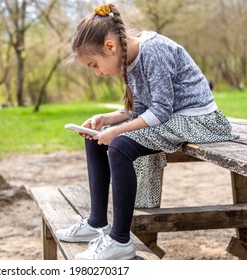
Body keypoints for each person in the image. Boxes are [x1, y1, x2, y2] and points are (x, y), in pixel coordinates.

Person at [56, 3, 238, 260]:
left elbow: (160, 112)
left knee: (118, 145)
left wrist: (116, 132)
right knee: (97, 139)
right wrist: (105, 120)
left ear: (110, 46)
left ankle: (120, 241)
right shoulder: (128, 58)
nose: (97, 73)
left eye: (94, 65)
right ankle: (96, 222)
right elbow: (141, 109)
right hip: (174, 117)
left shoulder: (154, 50)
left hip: (199, 119)